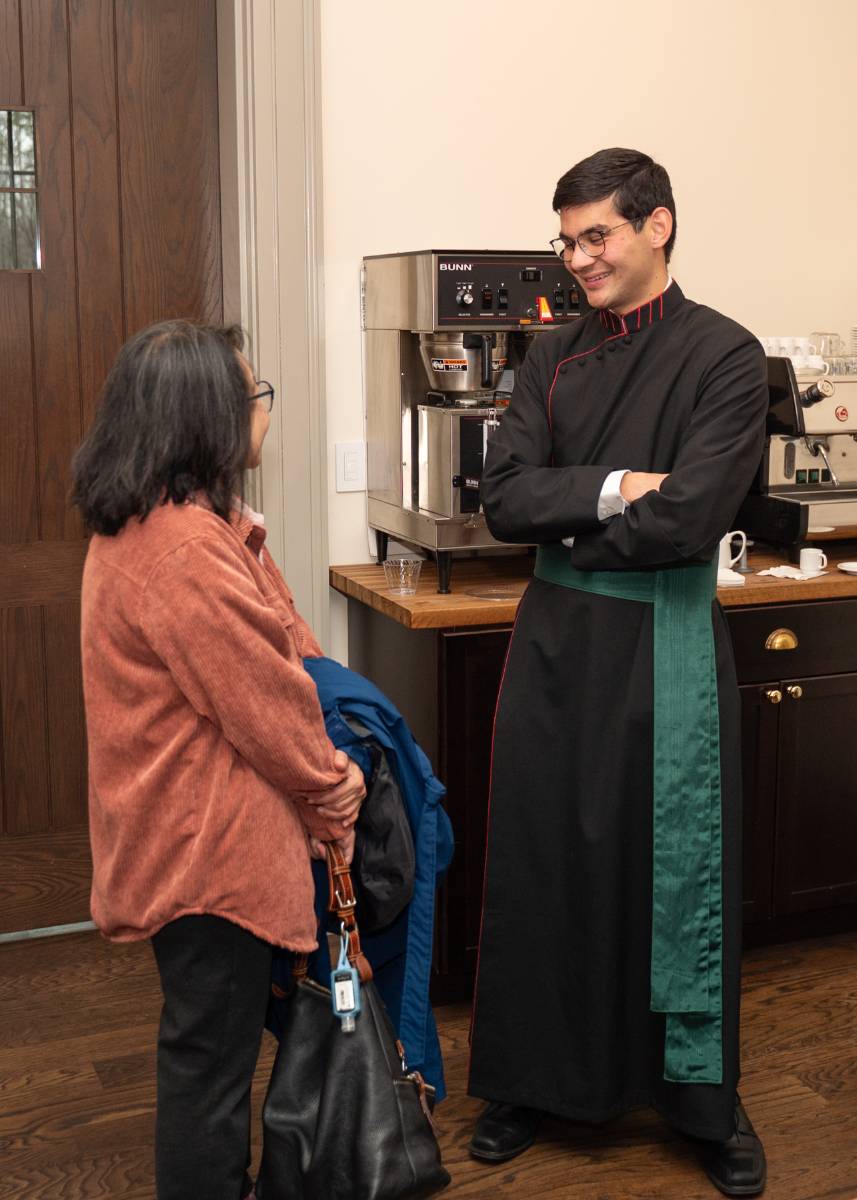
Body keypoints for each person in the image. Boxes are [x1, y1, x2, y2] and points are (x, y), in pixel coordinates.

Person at [467, 148, 769, 1197]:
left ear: (657, 225)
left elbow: (691, 517)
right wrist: (616, 487)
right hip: (554, 650)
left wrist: (574, 520)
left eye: (595, 235)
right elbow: (503, 501)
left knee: (673, 878)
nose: (577, 258)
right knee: (542, 862)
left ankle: (700, 1101)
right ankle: (526, 1083)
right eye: (566, 240)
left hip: (665, 648)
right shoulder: (546, 355)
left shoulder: (725, 354)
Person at [71, 320, 366, 1200]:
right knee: (209, 1067)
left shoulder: (160, 523)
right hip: (207, 853)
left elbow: (279, 651)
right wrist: (334, 791)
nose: (264, 410)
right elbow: (268, 701)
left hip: (179, 838)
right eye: (255, 396)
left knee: (208, 1048)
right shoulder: (184, 551)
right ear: (208, 417)